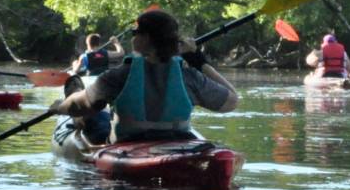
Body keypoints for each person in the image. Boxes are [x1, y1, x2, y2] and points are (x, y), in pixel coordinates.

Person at [50, 9, 239, 143]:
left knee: (94, 114)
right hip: (176, 142)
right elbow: (232, 101)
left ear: (146, 38)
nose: (132, 37)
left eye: (135, 32)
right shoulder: (190, 76)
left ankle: (73, 98)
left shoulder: (119, 75)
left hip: (127, 146)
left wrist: (60, 107)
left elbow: (80, 105)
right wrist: (199, 60)